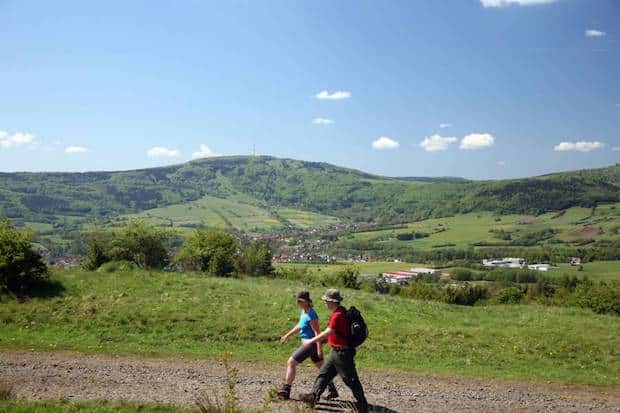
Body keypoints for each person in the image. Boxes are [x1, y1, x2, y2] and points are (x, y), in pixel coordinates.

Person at [300, 289, 368, 413]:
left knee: (351, 380)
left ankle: (363, 407)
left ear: (331, 301)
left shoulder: (337, 315)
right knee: (324, 375)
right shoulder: (340, 311)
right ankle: (313, 398)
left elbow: (328, 332)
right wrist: (325, 341)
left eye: (326, 301)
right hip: (335, 351)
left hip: (343, 353)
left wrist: (311, 341)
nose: (325, 302)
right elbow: (334, 333)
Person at [277, 290, 338, 401]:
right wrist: (287, 335)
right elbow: (300, 326)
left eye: (299, 301)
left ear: (305, 302)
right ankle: (332, 390)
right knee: (323, 369)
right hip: (311, 345)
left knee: (291, 362)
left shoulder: (311, 314)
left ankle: (286, 390)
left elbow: (317, 333)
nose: (297, 303)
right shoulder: (304, 312)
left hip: (310, 345)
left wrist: (319, 350)